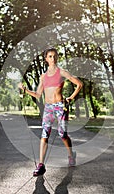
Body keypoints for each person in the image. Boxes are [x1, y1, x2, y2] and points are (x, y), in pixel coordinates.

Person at [18, 47, 83, 176]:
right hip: (48, 107)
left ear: (57, 57)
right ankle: (41, 165)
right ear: (46, 59)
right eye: (50, 56)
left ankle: (71, 155)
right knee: (44, 134)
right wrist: (25, 90)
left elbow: (79, 84)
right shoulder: (43, 77)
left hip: (60, 106)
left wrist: (70, 98)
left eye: (54, 56)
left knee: (62, 133)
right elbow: (37, 94)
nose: (53, 58)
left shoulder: (62, 72)